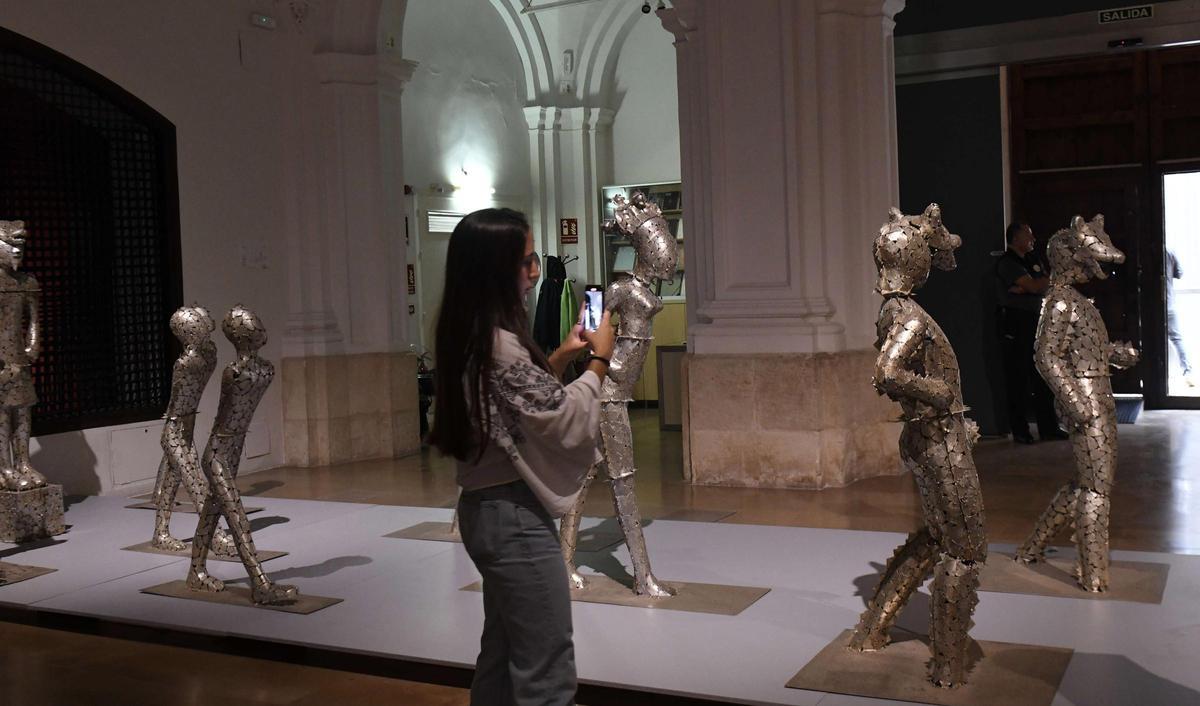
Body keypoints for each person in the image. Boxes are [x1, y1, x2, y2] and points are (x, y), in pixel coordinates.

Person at [428, 208, 615, 706]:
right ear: (494, 269)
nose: (535, 271)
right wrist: (599, 360)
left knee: (503, 652)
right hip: (512, 516)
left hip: (485, 508)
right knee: (545, 671)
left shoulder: (464, 334)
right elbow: (560, 419)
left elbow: (516, 405)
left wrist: (558, 359)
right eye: (526, 261)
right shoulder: (502, 347)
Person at [996, 221, 1066, 443]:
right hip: (1017, 324)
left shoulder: (1033, 260)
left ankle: (1049, 428)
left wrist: (1029, 287)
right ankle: (1021, 431)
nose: (1033, 240)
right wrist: (1034, 286)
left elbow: (1046, 284)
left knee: (1042, 375)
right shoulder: (1008, 263)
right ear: (1016, 238)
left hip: (1039, 322)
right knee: (1018, 378)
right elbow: (1037, 287)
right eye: (1029, 235)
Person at [1166, 249, 1194, 386]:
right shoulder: (1170, 252)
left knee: (1149, 340)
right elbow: (1179, 273)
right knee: (1177, 339)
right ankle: (1187, 372)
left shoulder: (1143, 252)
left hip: (1150, 305)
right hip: (1169, 302)